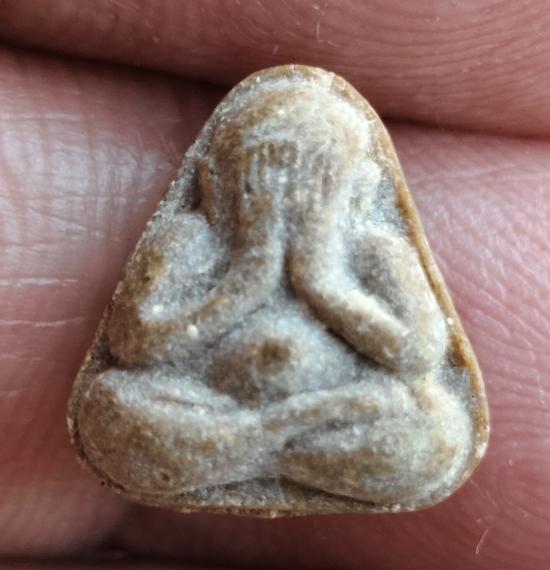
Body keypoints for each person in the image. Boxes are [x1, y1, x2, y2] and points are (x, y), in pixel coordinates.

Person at [1, 2, 549, 568]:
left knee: (438, 427)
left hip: (329, 411)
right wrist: (243, 282)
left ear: (359, 191)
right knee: (112, 405)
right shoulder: (192, 238)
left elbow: (417, 353)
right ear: (214, 184)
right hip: (212, 402)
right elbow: (137, 345)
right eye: (259, 179)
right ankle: (270, 448)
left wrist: (324, 283)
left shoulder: (373, 248)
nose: (284, 200)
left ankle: (242, 450)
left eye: (314, 182)